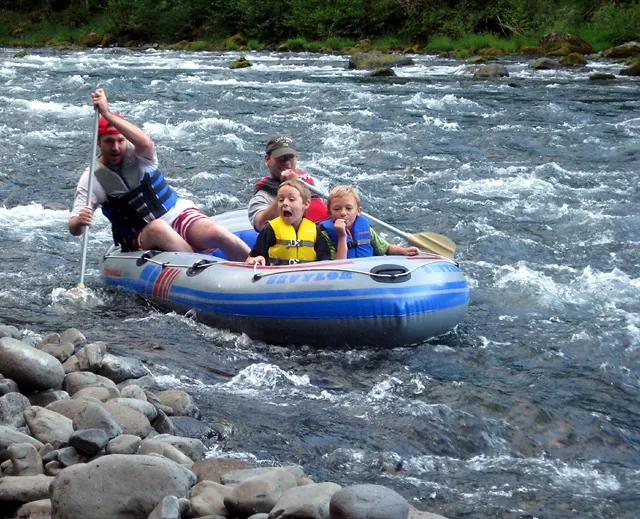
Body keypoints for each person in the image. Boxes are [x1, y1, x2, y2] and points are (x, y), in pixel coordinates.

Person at [68, 89, 250, 261]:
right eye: (109, 141)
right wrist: (80, 222)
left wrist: (107, 114)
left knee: (216, 233)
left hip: (176, 215)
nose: (115, 148)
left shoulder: (140, 155)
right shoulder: (92, 178)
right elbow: (74, 229)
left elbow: (146, 142)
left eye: (120, 141)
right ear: (99, 142)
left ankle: (258, 264)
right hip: (141, 235)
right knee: (158, 228)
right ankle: (199, 267)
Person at [248, 135, 329, 232]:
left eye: (290, 157)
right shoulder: (263, 195)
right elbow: (260, 224)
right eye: (281, 158)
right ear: (267, 159)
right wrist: (288, 186)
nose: (286, 162)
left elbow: (336, 208)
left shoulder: (314, 183)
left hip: (323, 237)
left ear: (296, 158)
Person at [318, 185, 420, 260]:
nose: (343, 213)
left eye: (349, 208)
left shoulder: (366, 230)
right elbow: (338, 265)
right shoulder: (325, 234)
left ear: (358, 211)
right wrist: (342, 237)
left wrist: (403, 251)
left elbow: (386, 248)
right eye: (337, 209)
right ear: (329, 213)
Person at [246, 180, 332, 266]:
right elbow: (252, 258)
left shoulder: (314, 231)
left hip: (307, 273)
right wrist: (255, 259)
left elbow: (325, 261)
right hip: (278, 273)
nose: (285, 203)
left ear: (305, 204)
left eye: (291, 199)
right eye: (280, 200)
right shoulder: (271, 229)